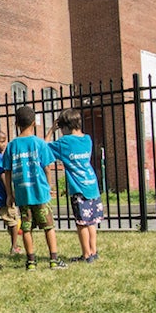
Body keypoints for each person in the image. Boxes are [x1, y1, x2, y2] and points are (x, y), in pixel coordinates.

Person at [2, 105, 67, 270]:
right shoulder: (39, 143)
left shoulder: (11, 146)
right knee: (48, 227)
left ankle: (31, 262)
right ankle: (53, 259)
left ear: (16, 124)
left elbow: (7, 172)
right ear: (34, 123)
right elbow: (47, 168)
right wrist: (50, 186)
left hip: (22, 195)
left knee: (26, 228)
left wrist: (10, 194)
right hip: (40, 193)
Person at [48, 108, 103, 262]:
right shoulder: (87, 139)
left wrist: (52, 129)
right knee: (91, 221)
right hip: (92, 185)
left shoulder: (64, 142)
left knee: (81, 223)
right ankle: (93, 251)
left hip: (78, 189)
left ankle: (86, 255)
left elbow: (43, 148)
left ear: (64, 127)